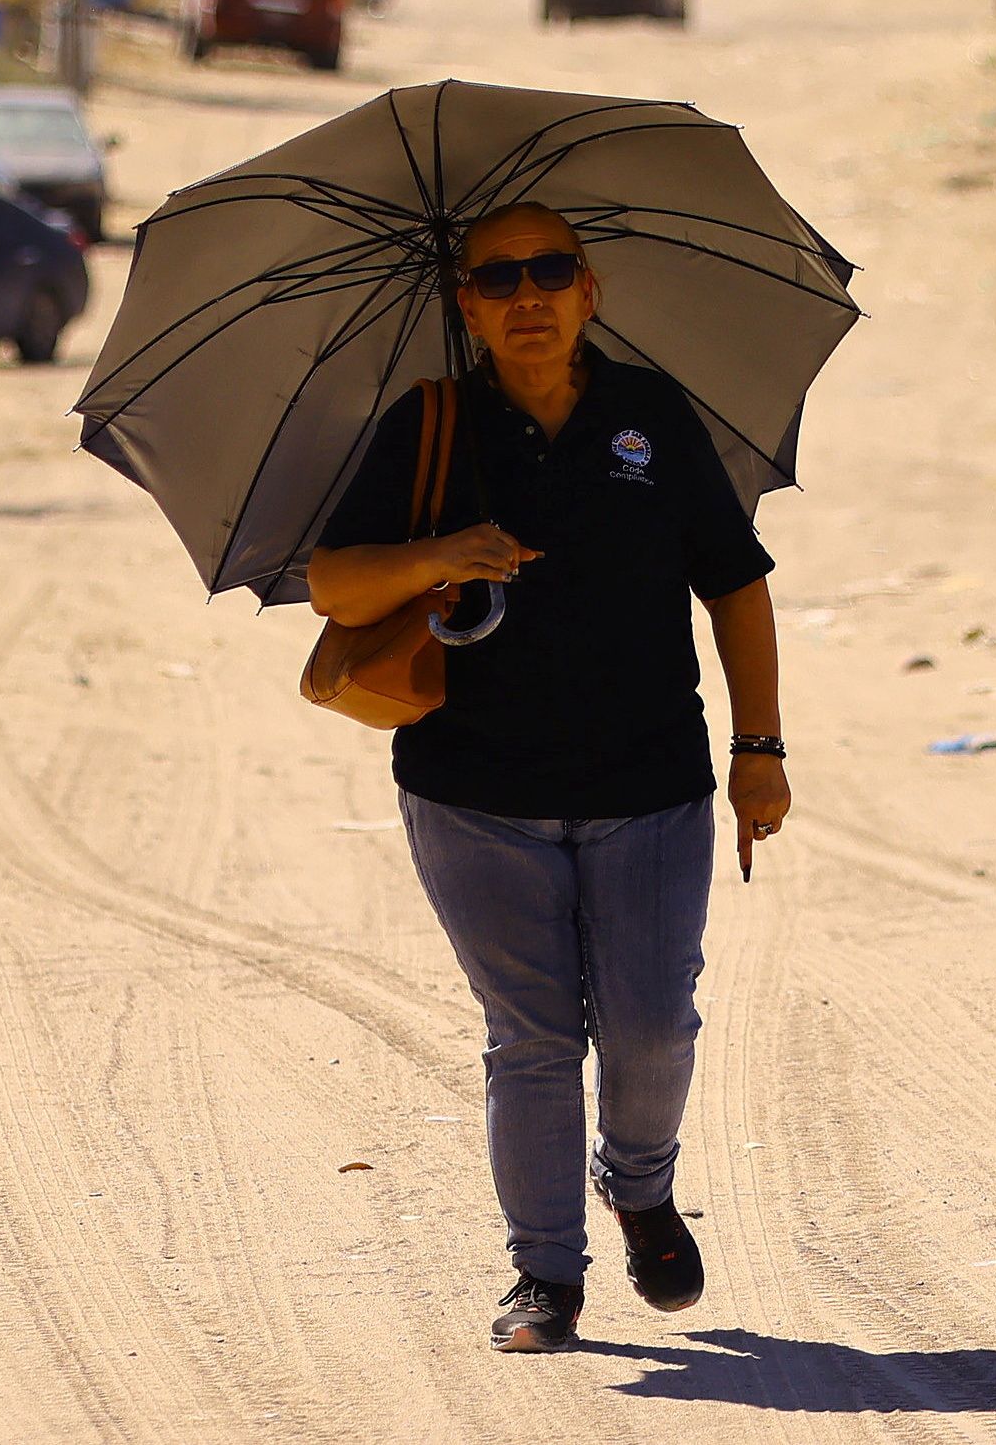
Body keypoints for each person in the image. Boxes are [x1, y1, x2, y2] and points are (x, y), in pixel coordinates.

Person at [306, 201, 785, 1354]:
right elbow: (331, 583)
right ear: (466, 306)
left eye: (551, 272)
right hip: (474, 789)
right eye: (500, 278)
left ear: (590, 291)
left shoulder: (652, 417)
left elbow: (735, 581)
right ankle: (544, 1277)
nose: (528, 295)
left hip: (651, 781)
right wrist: (437, 553)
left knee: (652, 1027)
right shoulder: (426, 426)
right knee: (529, 1036)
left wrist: (757, 749)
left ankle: (639, 1184)